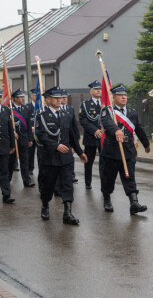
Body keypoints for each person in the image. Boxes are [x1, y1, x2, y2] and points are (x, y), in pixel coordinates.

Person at [35, 87, 87, 225]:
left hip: (66, 157)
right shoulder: (41, 115)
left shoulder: (66, 115)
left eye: (60, 97)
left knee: (67, 184)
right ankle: (45, 205)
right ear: (47, 100)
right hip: (50, 157)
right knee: (48, 185)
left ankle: (67, 213)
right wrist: (55, 145)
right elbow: (41, 136)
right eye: (55, 98)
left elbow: (72, 136)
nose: (59, 100)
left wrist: (80, 152)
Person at [100, 84, 150, 214]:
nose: (123, 97)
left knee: (129, 177)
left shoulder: (132, 112)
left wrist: (146, 144)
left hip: (127, 149)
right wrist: (116, 130)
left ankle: (134, 202)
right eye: (120, 95)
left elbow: (138, 128)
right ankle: (107, 200)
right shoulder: (108, 111)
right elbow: (107, 123)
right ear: (114, 97)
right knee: (108, 177)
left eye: (125, 95)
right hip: (112, 150)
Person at [8, 89, 35, 187]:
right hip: (13, 140)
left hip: (24, 139)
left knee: (25, 161)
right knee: (10, 161)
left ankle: (26, 181)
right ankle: (7, 180)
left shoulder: (25, 109)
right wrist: (13, 132)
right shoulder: (9, 109)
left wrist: (30, 139)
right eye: (20, 97)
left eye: (23, 97)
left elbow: (28, 125)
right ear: (15, 98)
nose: (23, 99)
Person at [79, 80, 103, 189]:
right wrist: (94, 130)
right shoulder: (85, 104)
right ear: (91, 91)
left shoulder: (106, 103)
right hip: (91, 137)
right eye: (96, 89)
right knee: (89, 161)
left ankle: (105, 182)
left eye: (100, 89)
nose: (99, 91)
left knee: (105, 161)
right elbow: (83, 120)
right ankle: (88, 182)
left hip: (104, 137)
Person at [26, 89, 38, 175]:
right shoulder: (27, 107)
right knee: (30, 152)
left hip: (39, 134)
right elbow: (25, 120)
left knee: (41, 153)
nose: (36, 96)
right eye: (34, 95)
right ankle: (30, 168)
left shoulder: (42, 107)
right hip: (31, 133)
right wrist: (30, 127)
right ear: (31, 96)